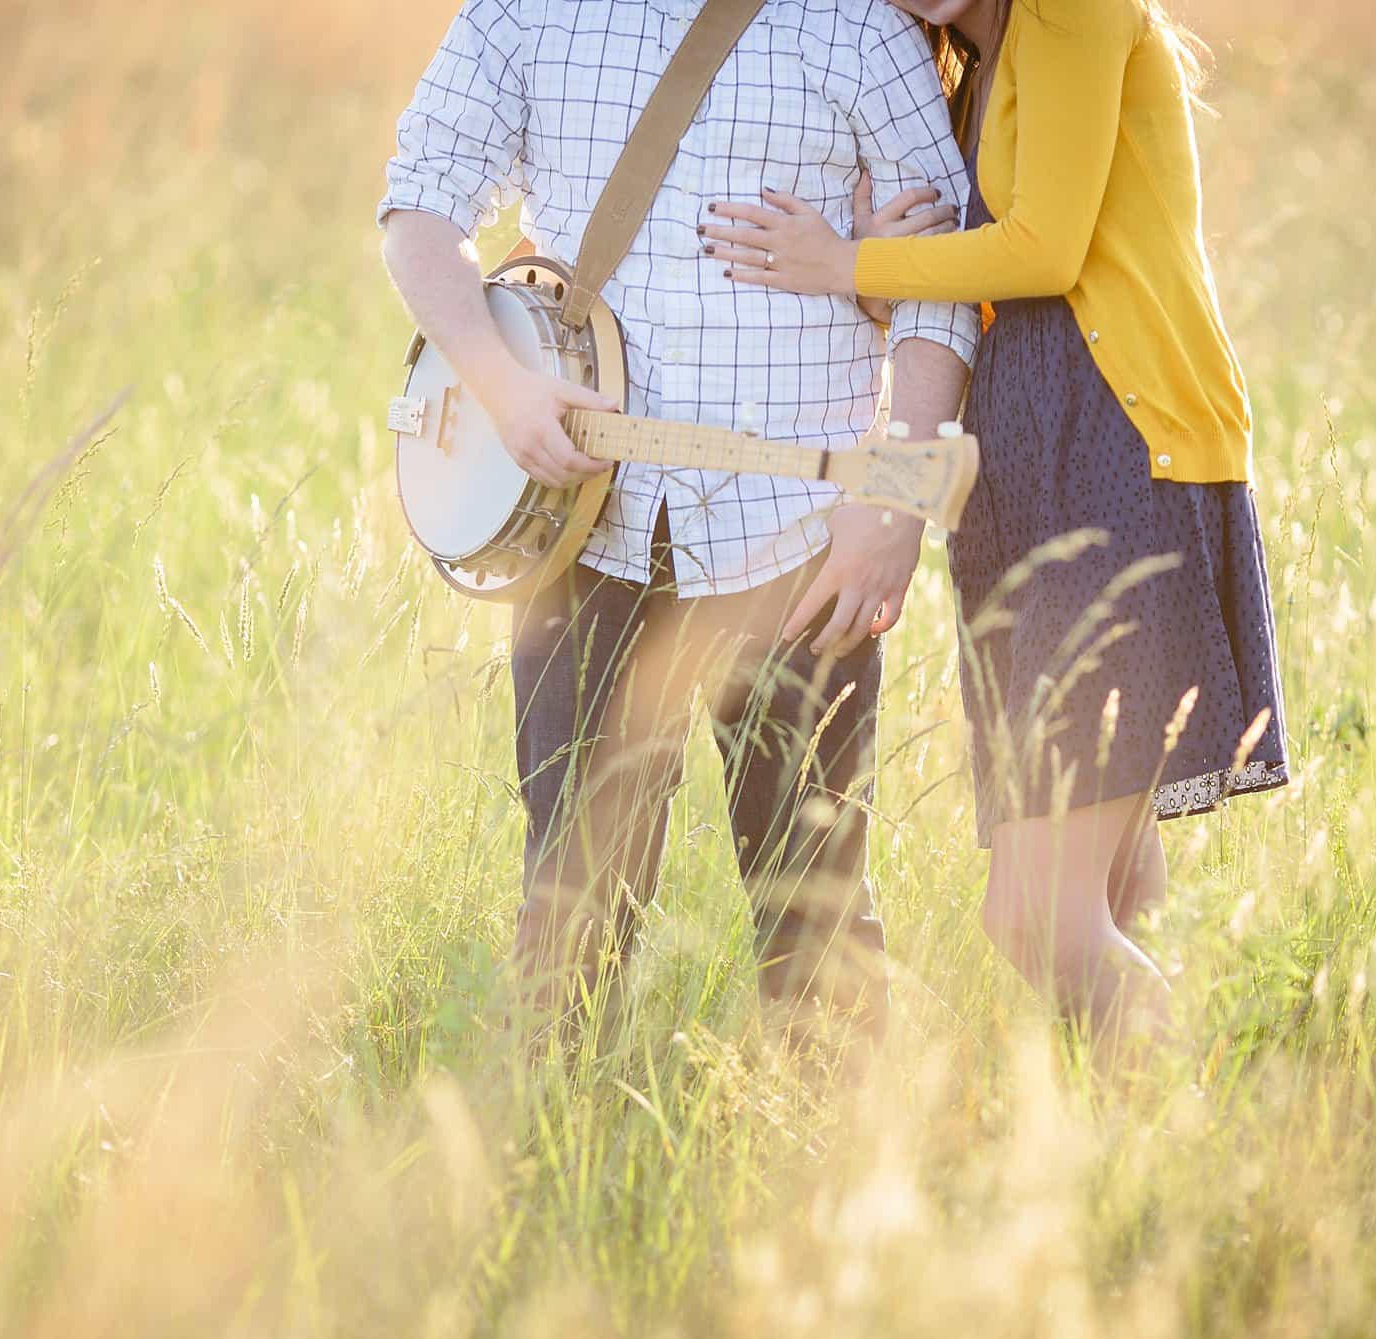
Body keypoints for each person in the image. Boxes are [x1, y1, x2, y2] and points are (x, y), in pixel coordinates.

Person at [379, 0, 978, 1055]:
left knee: (815, 910)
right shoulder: (525, 13)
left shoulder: (859, 31)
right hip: (575, 533)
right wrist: (501, 383)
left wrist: (889, 503)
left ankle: (838, 1192)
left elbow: (939, 293)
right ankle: (557, 1180)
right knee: (569, 899)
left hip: (799, 544)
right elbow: (416, 209)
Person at [699, 0, 1289, 1034]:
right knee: (1109, 895)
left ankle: (1186, 1139)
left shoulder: (1072, 11)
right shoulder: (965, 64)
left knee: (1035, 923)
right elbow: (979, 295)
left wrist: (844, 261)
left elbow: (1044, 252)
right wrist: (876, 274)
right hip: (1025, 484)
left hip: (1117, 459)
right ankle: (1136, 1164)